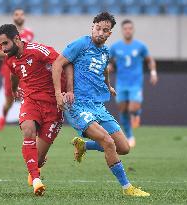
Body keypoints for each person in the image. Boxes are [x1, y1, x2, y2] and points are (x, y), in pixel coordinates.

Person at [52, 12, 150, 197]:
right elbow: (58, 64)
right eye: (98, 28)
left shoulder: (106, 51)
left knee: (124, 148)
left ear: (110, 33)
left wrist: (108, 86)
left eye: (105, 30)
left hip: (98, 106)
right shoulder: (81, 43)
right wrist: (59, 93)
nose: (100, 32)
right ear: (92, 27)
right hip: (78, 104)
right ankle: (127, 188)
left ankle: (84, 146)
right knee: (107, 141)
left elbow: (104, 68)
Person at [0, 24, 70, 196]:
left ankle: (36, 167)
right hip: (31, 100)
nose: (4, 49)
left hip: (53, 105)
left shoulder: (38, 51)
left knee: (37, 159)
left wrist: (67, 90)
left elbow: (64, 63)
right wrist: (14, 90)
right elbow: (14, 73)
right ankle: (37, 180)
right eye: (1, 45)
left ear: (16, 39)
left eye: (5, 44)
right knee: (28, 130)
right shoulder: (9, 58)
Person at [109, 19, 158, 147]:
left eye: (130, 28)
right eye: (125, 28)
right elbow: (107, 60)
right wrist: (109, 65)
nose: (128, 30)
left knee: (133, 108)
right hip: (121, 83)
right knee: (123, 109)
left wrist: (153, 72)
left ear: (133, 30)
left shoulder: (140, 46)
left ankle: (137, 114)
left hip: (135, 83)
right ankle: (130, 136)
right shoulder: (115, 47)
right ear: (122, 30)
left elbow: (149, 60)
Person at [0, 8, 34, 131]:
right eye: (17, 14)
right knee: (10, 100)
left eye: (21, 14)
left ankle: (28, 121)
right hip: (9, 69)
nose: (19, 17)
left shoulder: (29, 33)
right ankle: (3, 117)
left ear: (24, 17)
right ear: (13, 17)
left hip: (25, 68)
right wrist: (11, 51)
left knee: (28, 95)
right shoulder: (5, 35)